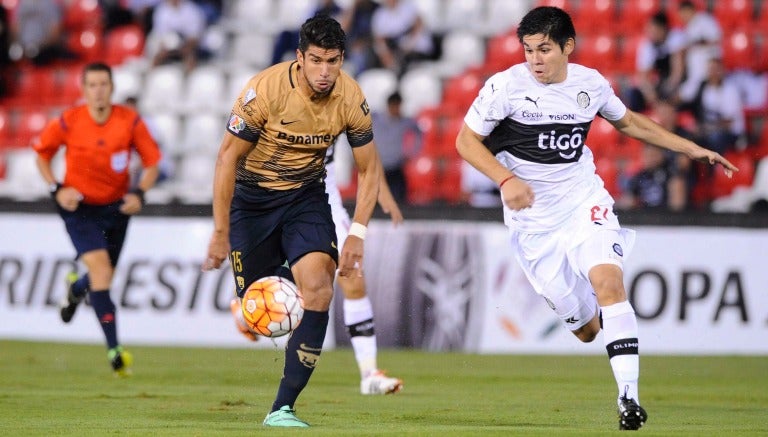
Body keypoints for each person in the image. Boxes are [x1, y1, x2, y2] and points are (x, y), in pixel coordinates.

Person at [454, 6, 737, 431]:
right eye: (528, 50)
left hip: (583, 201)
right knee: (586, 331)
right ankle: (606, 329)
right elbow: (464, 141)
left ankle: (628, 399)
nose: (534, 60)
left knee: (609, 282)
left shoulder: (590, 84)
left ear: (568, 47)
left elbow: (631, 124)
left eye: (544, 50)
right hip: (533, 225)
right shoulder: (505, 88)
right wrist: (506, 178)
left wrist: (689, 147)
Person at [202, 15, 383, 427]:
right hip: (252, 202)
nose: (324, 72)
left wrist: (357, 233)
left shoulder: (351, 98)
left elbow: (370, 169)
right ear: (300, 57)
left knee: (319, 288)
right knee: (258, 315)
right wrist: (219, 230)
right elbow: (227, 157)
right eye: (316, 60)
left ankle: (282, 408)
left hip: (305, 197)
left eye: (333, 61)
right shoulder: (263, 90)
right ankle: (258, 292)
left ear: (342, 59)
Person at [230, 144, 405, 395]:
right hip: (279, 200)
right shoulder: (282, 109)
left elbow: (366, 148)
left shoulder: (342, 106)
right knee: (286, 285)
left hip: (323, 202)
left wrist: (383, 191)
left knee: (352, 277)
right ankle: (246, 307)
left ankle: (369, 374)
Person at [32, 62, 162, 376]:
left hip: (116, 209)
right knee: (102, 271)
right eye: (92, 85)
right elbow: (41, 154)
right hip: (80, 208)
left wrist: (140, 194)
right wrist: (56, 188)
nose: (98, 90)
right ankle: (115, 351)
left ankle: (77, 288)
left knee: (103, 276)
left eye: (104, 84)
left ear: (112, 87)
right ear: (84, 89)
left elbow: (152, 161)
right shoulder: (69, 120)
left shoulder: (129, 121)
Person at [627, 10, 686, 112]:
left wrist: (667, 91)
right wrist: (653, 99)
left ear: (662, 28)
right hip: (661, 83)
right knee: (634, 95)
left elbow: (677, 73)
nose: (649, 33)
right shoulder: (647, 45)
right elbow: (643, 77)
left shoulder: (676, 38)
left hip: (680, 83)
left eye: (652, 29)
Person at [372, 91, 421, 203]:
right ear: (389, 105)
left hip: (395, 168)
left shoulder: (405, 122)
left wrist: (412, 153)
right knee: (374, 202)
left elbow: (419, 134)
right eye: (394, 106)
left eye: (398, 106)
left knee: (398, 201)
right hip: (378, 168)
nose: (396, 109)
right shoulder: (375, 119)